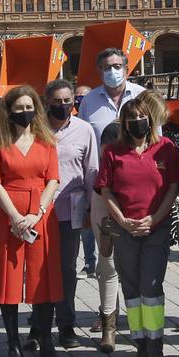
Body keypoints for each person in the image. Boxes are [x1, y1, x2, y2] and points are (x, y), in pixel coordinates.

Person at [97, 93, 179, 357]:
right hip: (125, 230)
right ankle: (140, 347)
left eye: (141, 117)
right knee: (131, 290)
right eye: (130, 118)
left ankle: (156, 348)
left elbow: (172, 187)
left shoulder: (166, 148)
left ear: (150, 119)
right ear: (123, 123)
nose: (136, 122)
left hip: (154, 228)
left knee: (151, 288)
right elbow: (106, 190)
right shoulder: (113, 151)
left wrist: (155, 218)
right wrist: (121, 220)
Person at [0, 86, 62, 357]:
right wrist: (15, 217)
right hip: (8, 214)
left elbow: (53, 178)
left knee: (42, 277)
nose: (24, 112)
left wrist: (37, 212)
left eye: (29, 107)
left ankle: (43, 337)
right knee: (10, 277)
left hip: (41, 215)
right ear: (8, 111)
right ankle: (12, 342)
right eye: (18, 108)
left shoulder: (47, 141)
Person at [78, 49, 145, 346]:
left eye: (118, 66)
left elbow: (156, 141)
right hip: (101, 189)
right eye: (107, 67)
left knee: (138, 261)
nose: (113, 71)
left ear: (127, 68)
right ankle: (108, 323)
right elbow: (84, 145)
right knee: (106, 261)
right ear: (98, 70)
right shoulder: (89, 102)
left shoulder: (142, 96)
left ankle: (138, 319)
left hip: (138, 190)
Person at [36, 79, 98, 349]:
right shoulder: (35, 130)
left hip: (70, 209)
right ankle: (39, 325)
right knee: (38, 270)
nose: (63, 106)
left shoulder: (84, 130)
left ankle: (66, 324)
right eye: (57, 101)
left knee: (66, 270)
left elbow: (91, 171)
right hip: (38, 211)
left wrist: (90, 209)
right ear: (46, 102)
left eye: (67, 100)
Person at [74, 83, 97, 276]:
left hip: (104, 174)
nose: (78, 100)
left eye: (82, 97)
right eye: (77, 97)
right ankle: (90, 262)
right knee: (85, 223)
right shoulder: (74, 120)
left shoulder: (96, 115)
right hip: (85, 177)